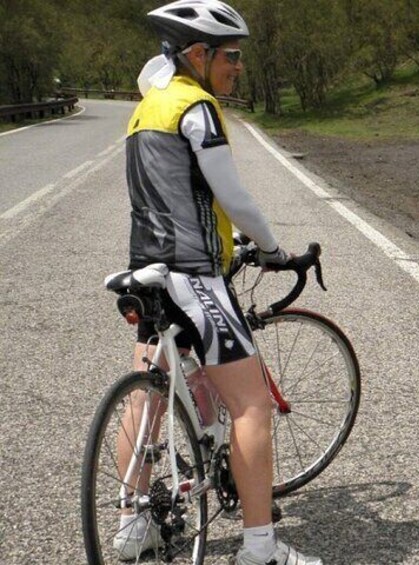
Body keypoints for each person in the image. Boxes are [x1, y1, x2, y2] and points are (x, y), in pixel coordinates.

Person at [114, 1, 322, 564]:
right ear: (198, 55)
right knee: (252, 405)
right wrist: (275, 250)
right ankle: (261, 551)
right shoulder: (196, 107)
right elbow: (233, 197)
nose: (238, 67)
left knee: (148, 395)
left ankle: (134, 522)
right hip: (194, 274)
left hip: (148, 270)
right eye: (231, 56)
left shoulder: (145, 109)